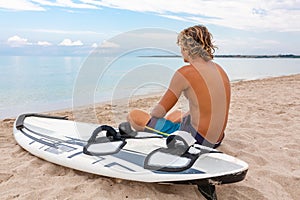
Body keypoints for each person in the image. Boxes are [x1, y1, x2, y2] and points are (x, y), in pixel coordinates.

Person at [127, 25, 231, 148]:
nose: (181, 51)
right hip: (216, 139)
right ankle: (170, 126)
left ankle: (159, 133)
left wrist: (153, 118)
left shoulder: (185, 73)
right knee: (176, 114)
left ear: (187, 48)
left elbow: (158, 113)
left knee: (134, 116)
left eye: (181, 47)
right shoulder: (219, 69)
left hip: (197, 140)